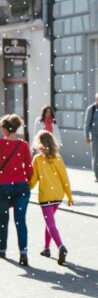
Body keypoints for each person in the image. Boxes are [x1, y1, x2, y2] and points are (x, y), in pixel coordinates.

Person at [29, 130, 73, 265]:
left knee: (50, 224)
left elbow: (34, 179)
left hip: (46, 196)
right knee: (50, 223)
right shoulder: (58, 158)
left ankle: (61, 246)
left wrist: (25, 189)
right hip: (58, 195)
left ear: (39, 143)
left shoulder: (37, 159)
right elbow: (64, 178)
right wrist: (69, 196)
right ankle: (46, 249)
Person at [0, 114, 33, 266]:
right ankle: (23, 253)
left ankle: (2, 249)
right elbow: (29, 168)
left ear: (6, 130)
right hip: (21, 187)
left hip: (2, 187)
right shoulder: (23, 145)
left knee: (3, 220)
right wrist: (26, 182)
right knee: (20, 222)